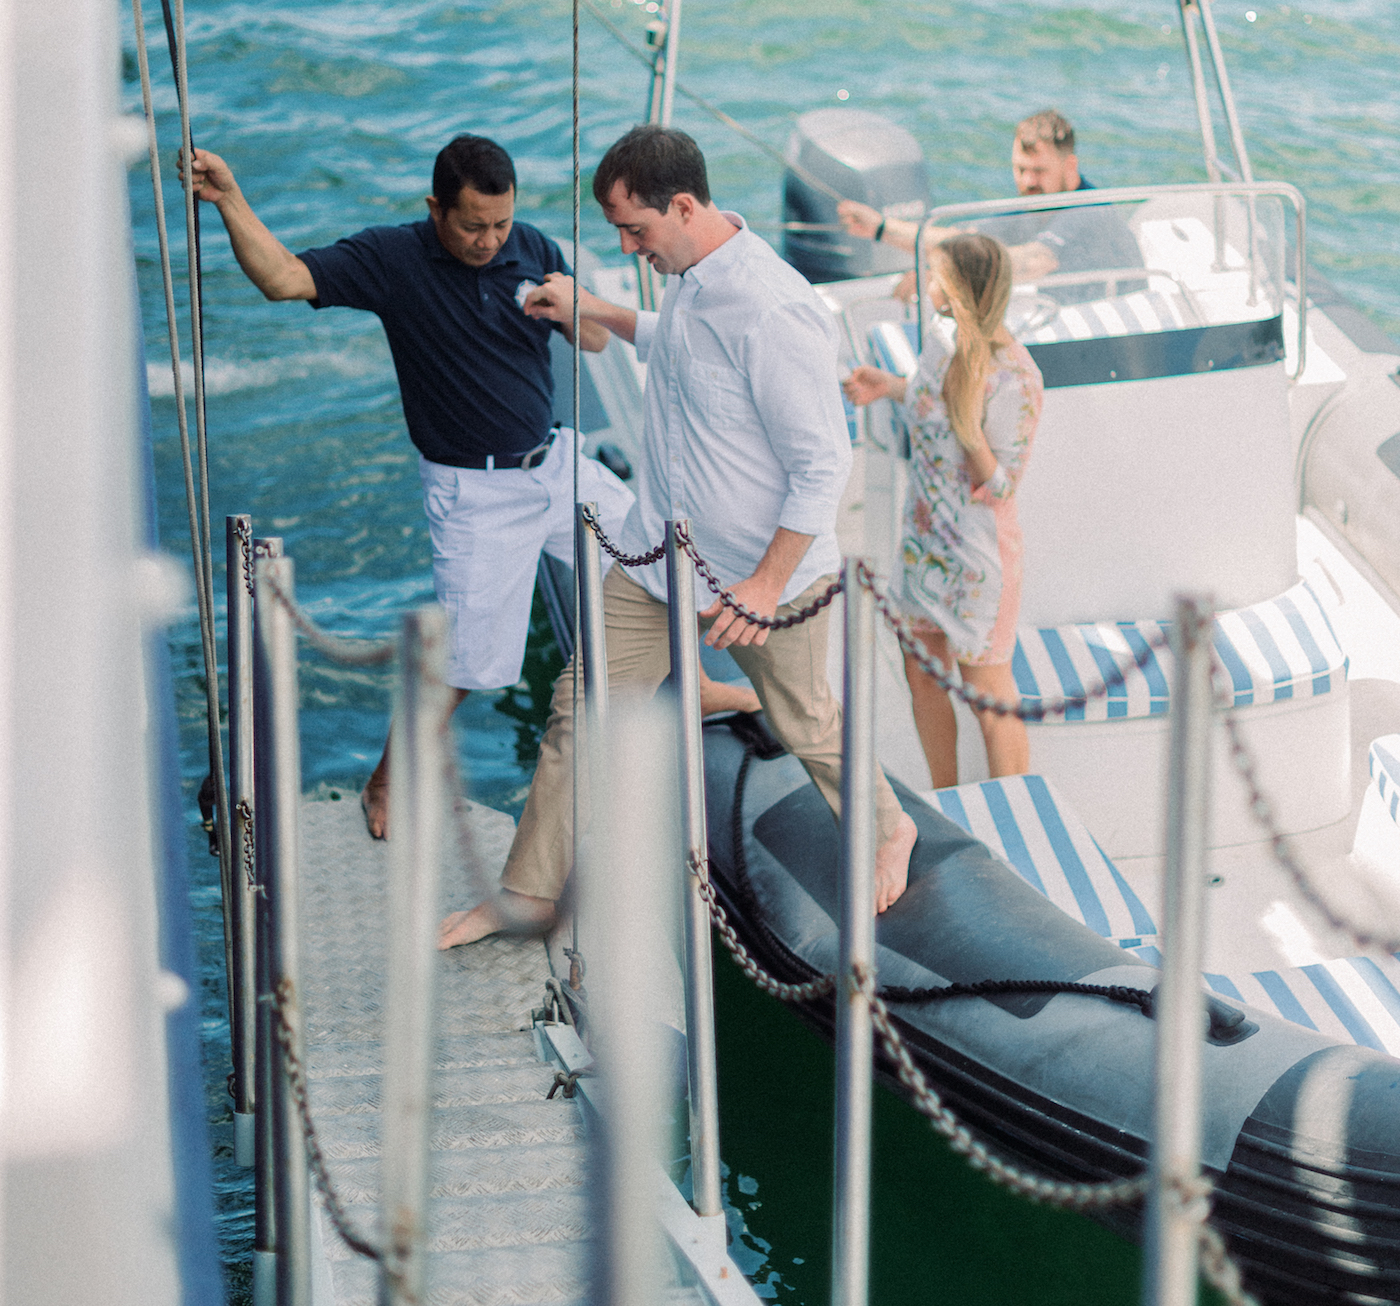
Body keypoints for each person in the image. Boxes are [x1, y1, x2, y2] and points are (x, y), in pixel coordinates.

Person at [186, 132, 751, 837]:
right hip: (475, 494)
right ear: (437, 209)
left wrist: (572, 309)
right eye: (473, 226)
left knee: (663, 562)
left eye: (501, 224)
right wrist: (230, 199)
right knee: (468, 663)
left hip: (557, 462)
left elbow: (596, 342)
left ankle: (694, 686)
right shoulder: (393, 258)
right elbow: (283, 278)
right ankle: (386, 780)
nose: (490, 241)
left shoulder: (532, 244)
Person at [438, 124, 919, 949]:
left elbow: (823, 463)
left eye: (635, 230)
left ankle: (890, 826)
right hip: (658, 556)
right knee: (579, 710)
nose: (627, 247)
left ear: (685, 206)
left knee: (806, 722)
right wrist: (597, 311)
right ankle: (527, 896)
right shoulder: (691, 276)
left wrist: (764, 586)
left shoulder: (773, 307)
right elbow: (677, 340)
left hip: (760, 575)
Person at [843, 233, 1043, 789]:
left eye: (935, 276)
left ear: (956, 290)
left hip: (977, 559)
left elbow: (1001, 486)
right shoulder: (940, 337)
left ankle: (1012, 808)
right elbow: (924, 395)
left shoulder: (1018, 378)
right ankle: (947, 794)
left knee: (988, 695)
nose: (926, 284)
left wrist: (967, 425)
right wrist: (891, 387)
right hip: (921, 542)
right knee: (923, 676)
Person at [838, 108, 1142, 300]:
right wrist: (881, 228)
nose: (1028, 181)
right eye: (1020, 169)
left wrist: (948, 273)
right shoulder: (1036, 203)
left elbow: (1036, 261)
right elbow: (965, 240)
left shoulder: (1089, 210)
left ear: (1070, 166)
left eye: (1039, 171)